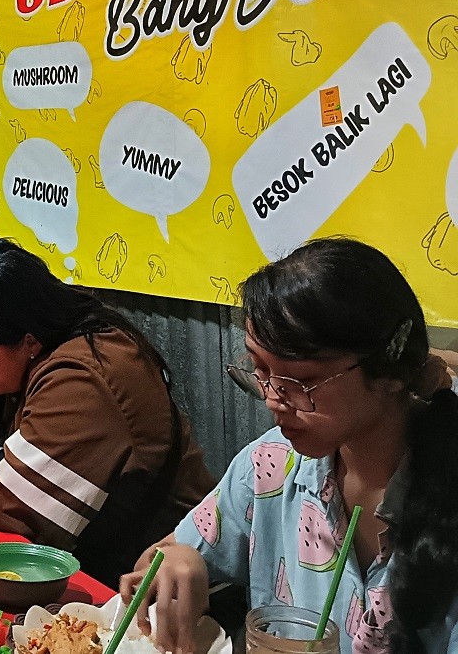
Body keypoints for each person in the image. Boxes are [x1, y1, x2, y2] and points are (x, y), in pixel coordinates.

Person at [121, 238, 458, 654]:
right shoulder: (272, 465)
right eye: (260, 370)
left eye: (301, 382)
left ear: (388, 370)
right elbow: (158, 560)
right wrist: (177, 559)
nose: (272, 399)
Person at [0, 238, 213, 587]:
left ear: (27, 341)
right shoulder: (25, 359)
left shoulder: (85, 378)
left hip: (151, 590)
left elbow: (13, 507)